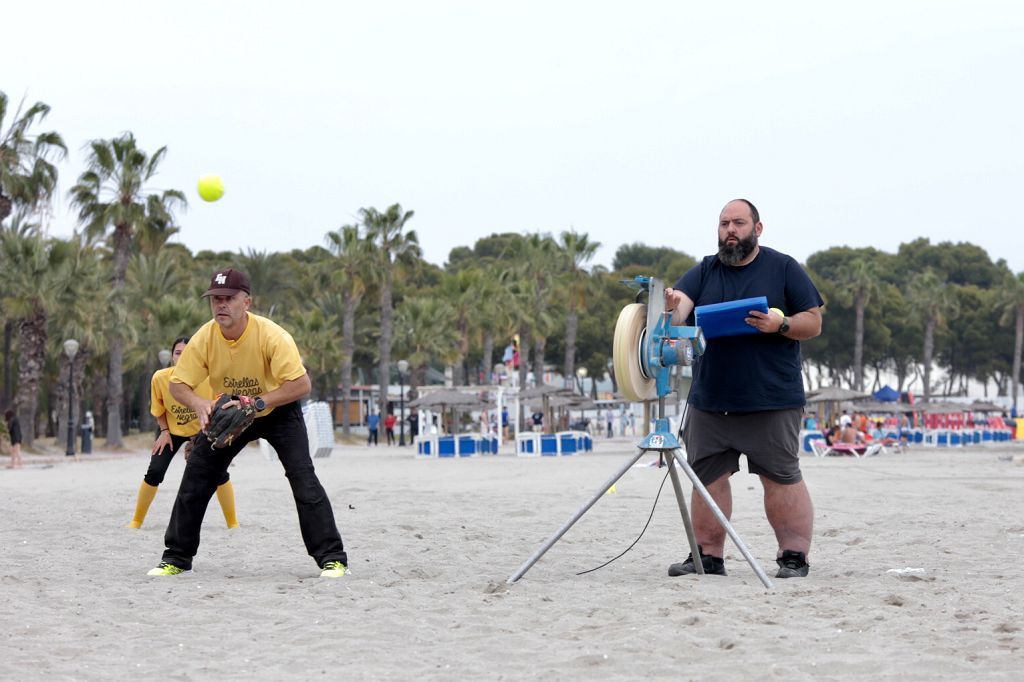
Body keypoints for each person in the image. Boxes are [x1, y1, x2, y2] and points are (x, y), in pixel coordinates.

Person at [147, 268, 348, 578]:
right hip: (229, 410)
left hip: (277, 408)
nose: (220, 305)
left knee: (302, 477)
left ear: (247, 303)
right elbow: (177, 385)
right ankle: (175, 558)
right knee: (197, 476)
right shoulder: (204, 338)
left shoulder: (272, 336)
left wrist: (257, 403)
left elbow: (301, 385)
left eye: (229, 299)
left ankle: (332, 558)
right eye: (215, 299)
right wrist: (200, 403)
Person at [664, 199, 823, 579]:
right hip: (710, 402)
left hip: (771, 400)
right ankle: (707, 556)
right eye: (723, 224)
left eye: (738, 223)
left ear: (757, 228)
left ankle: (793, 556)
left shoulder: (783, 267)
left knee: (781, 478)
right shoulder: (704, 270)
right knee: (707, 479)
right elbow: (679, 311)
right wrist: (671, 305)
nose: (729, 230)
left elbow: (813, 322)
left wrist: (778, 325)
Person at [127, 336, 238, 529]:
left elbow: (221, 405)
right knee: (155, 471)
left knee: (219, 473)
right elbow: (158, 408)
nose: (181, 357)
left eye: (187, 353)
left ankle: (233, 523)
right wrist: (164, 431)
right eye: (178, 353)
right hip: (171, 431)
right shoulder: (160, 378)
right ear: (172, 357)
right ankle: (136, 521)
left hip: (203, 430)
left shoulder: (210, 378)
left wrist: (214, 434)